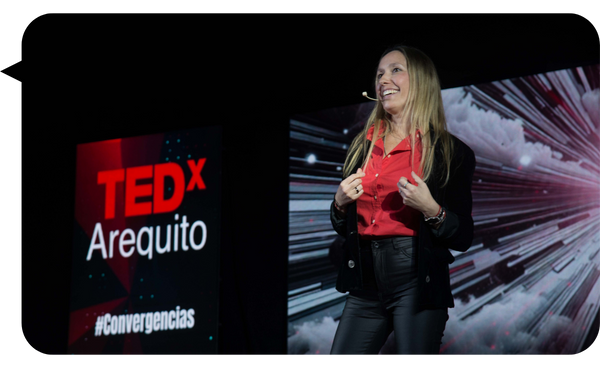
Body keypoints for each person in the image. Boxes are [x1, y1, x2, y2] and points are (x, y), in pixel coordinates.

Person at [329, 45, 476, 358]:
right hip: (365, 281)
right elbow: (345, 228)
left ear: (420, 80)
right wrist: (339, 205)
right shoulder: (361, 146)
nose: (384, 79)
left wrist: (431, 209)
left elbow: (463, 236)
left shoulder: (450, 152)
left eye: (396, 70)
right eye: (380, 73)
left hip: (416, 279)